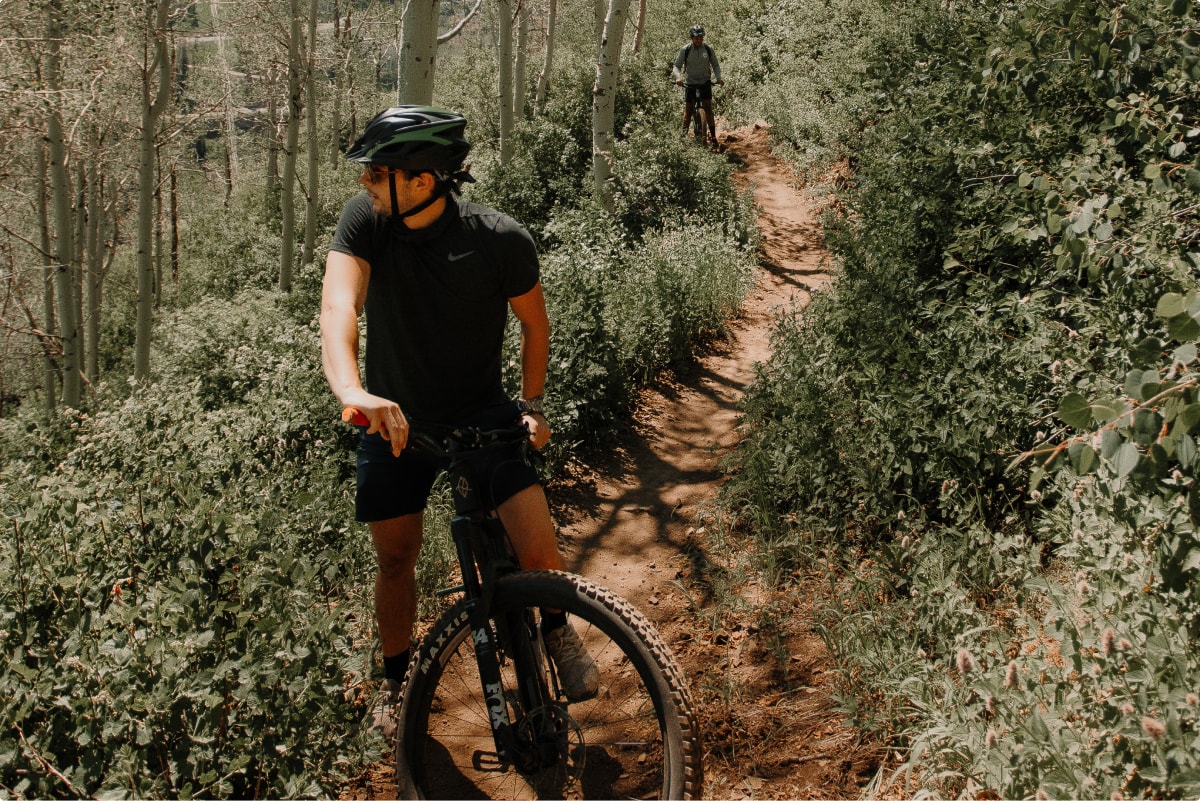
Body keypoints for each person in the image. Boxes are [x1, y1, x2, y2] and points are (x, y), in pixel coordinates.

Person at [319, 106, 599, 748]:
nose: (364, 184)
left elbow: (535, 325)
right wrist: (355, 390)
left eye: (376, 173)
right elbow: (339, 308)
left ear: (421, 180)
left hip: (481, 413)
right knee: (396, 558)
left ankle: (554, 629)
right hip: (393, 419)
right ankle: (396, 687)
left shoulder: (499, 239)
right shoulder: (367, 222)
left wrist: (533, 406)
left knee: (535, 543)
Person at [672, 24, 724, 147]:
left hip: (705, 83)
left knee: (708, 109)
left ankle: (714, 137)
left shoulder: (708, 49)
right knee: (688, 110)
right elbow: (676, 66)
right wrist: (678, 78)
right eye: (696, 38)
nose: (698, 40)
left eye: (700, 38)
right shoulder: (685, 50)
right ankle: (683, 138)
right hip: (690, 83)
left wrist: (718, 78)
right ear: (692, 38)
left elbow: (715, 65)